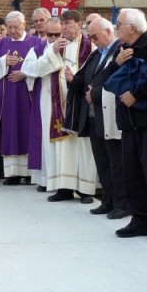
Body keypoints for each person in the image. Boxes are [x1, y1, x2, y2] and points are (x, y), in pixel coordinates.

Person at [104, 8, 147, 244]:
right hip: (128, 122)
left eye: (119, 24)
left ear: (131, 27)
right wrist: (116, 63)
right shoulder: (121, 49)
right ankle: (139, 220)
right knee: (131, 173)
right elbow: (105, 80)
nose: (116, 27)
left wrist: (136, 95)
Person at [22, 15, 97, 202]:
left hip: (80, 102)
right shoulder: (52, 46)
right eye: (61, 24)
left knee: (82, 145)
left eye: (67, 24)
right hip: (56, 103)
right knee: (61, 146)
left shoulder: (90, 47)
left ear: (79, 25)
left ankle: (85, 190)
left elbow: (96, 72)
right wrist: (52, 53)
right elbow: (35, 70)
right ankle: (64, 188)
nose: (63, 28)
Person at [65, 17, 128, 219]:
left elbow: (117, 80)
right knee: (102, 162)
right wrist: (73, 80)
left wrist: (96, 93)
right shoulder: (96, 54)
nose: (93, 40)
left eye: (95, 36)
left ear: (108, 32)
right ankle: (108, 201)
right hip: (93, 116)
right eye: (90, 36)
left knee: (115, 162)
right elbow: (86, 80)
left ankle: (121, 204)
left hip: (110, 115)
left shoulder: (119, 51)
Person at [0, 11, 39, 185]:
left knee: (28, 128)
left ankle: (31, 173)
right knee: (10, 129)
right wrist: (2, 62)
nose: (13, 31)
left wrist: (25, 73)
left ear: (24, 25)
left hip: (28, 95)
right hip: (6, 97)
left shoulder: (35, 42)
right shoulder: (0, 44)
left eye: (16, 27)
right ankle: (13, 174)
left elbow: (42, 65)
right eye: (10, 28)